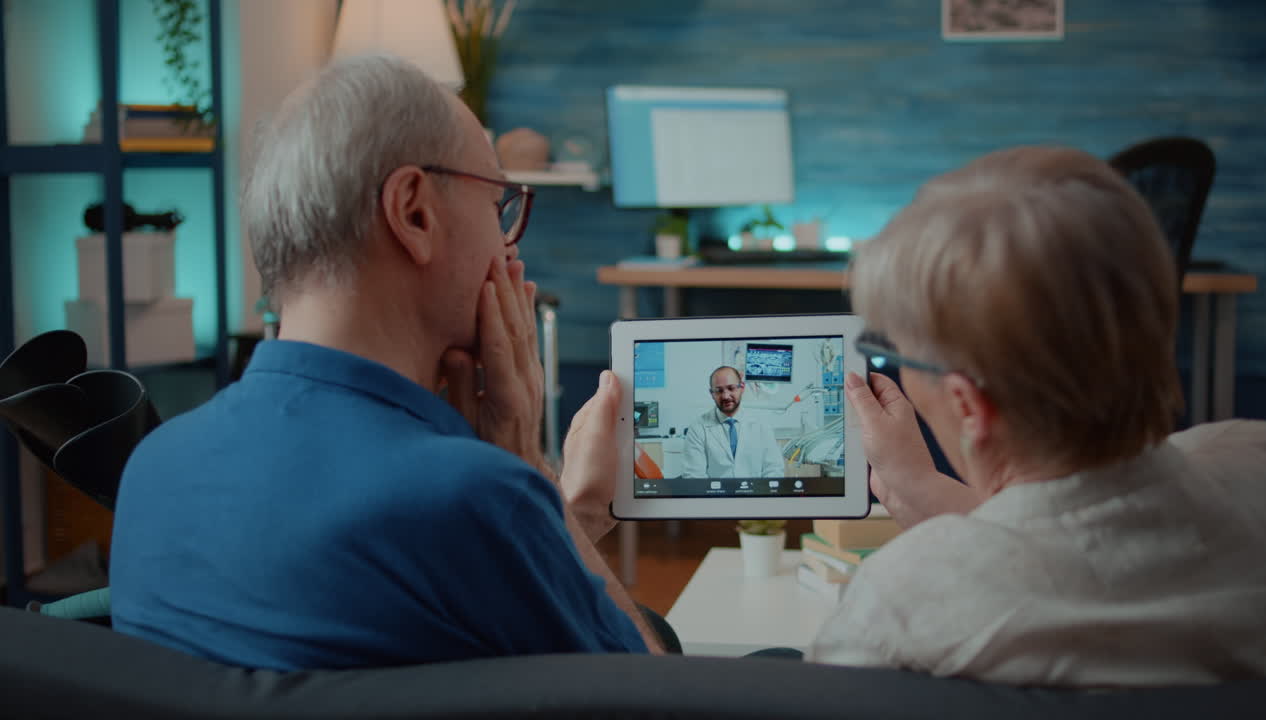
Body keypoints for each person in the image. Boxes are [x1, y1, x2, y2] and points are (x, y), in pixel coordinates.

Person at [109, 54, 663, 670]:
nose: (511, 255)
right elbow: (654, 690)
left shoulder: (152, 468)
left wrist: (551, 515)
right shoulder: (474, 497)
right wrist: (532, 471)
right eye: (498, 207)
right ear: (413, 212)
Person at [808, 145, 1266, 687]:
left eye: (899, 352)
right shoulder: (1264, 460)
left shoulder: (901, 598)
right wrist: (920, 485)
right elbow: (1081, 528)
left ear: (967, 405)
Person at [683, 366, 786, 480]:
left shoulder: (761, 424)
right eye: (719, 391)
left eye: (731, 388)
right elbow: (694, 476)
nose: (726, 396)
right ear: (712, 393)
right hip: (713, 491)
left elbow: (774, 469)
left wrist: (761, 491)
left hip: (756, 491)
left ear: (742, 387)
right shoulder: (698, 428)